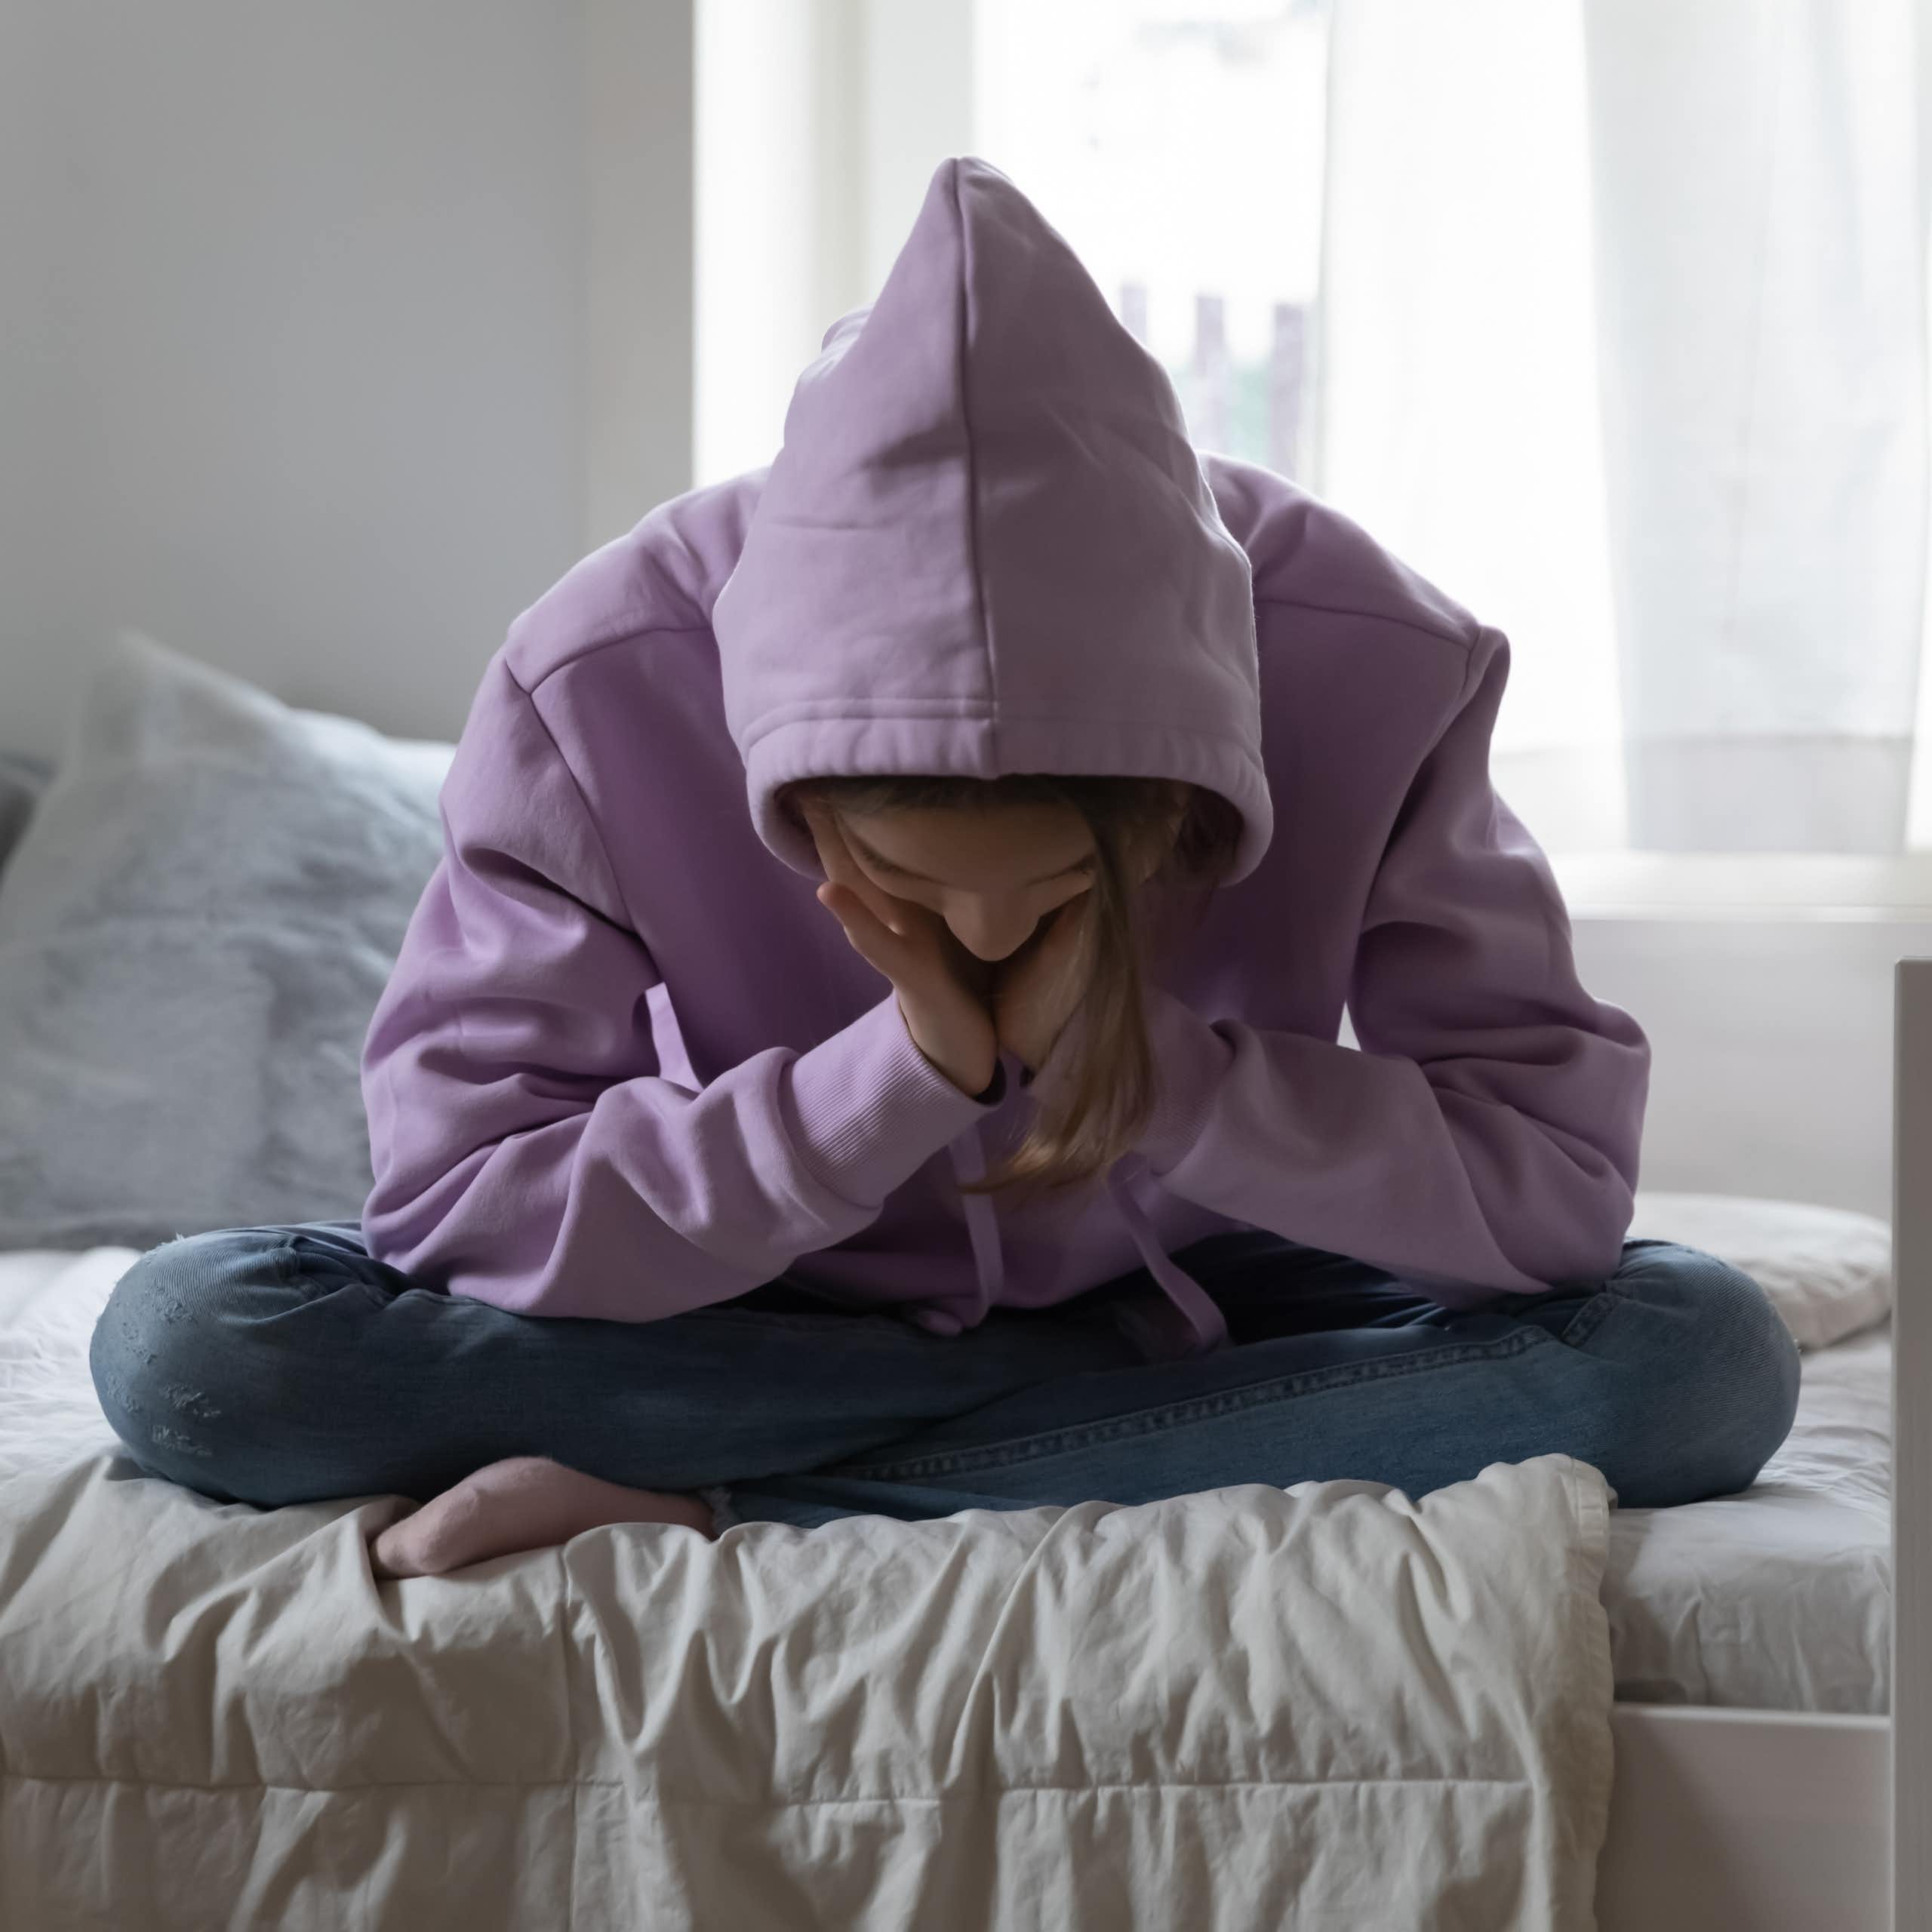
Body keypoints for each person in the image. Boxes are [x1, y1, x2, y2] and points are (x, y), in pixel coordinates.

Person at [90, 155, 1800, 1581]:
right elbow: (463, 1201)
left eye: (1058, 898)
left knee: (1695, 1356)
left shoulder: (1375, 653)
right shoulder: (599, 676)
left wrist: (1171, 1085)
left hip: (1228, 1283)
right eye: (904, 898)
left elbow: (1553, 1186)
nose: (981, 937)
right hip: (762, 1306)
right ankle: (1106, 1441)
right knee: (196, 1344)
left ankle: (763, 1509)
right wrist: (889, 1079)